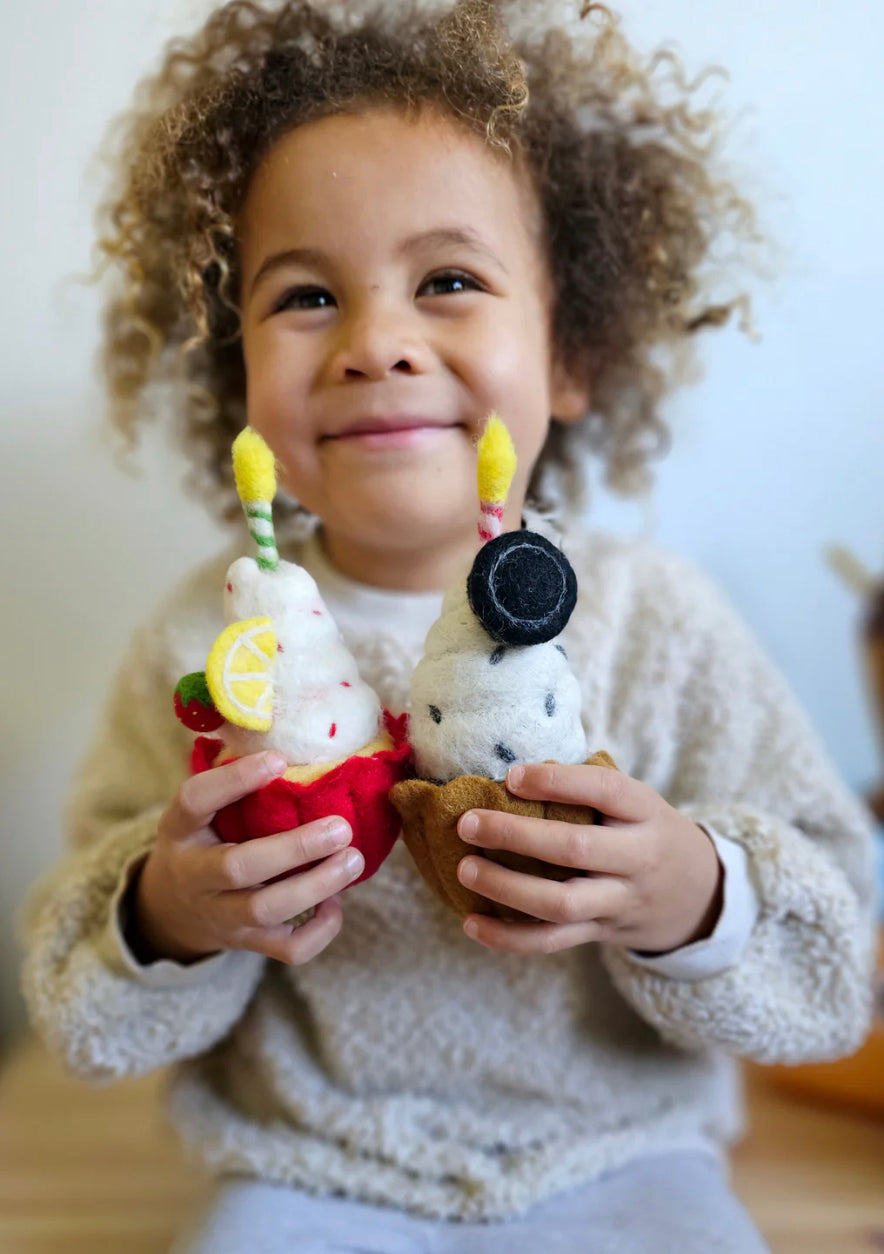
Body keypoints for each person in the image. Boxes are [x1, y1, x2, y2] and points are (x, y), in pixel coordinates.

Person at [19, 2, 878, 1251]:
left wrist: (692, 892)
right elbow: (80, 998)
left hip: (622, 1159)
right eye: (306, 294)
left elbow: (830, 952)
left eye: (449, 281)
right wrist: (168, 910)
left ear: (569, 352)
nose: (376, 344)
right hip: (312, 1171)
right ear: (232, 371)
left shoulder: (658, 621)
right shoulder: (208, 642)